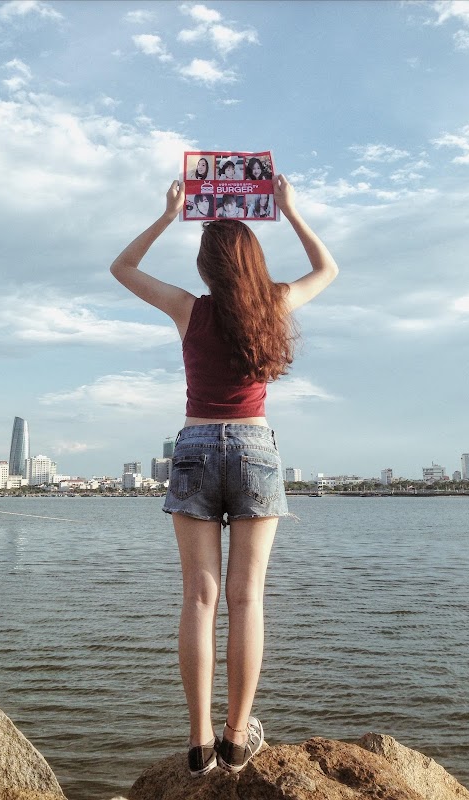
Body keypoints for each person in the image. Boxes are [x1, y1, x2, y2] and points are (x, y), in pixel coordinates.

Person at [110, 174, 338, 777]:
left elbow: (121, 267)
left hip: (194, 448)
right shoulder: (274, 304)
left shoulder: (188, 309)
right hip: (256, 449)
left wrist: (167, 216)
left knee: (199, 597)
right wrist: (290, 210)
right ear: (253, 263)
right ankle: (237, 739)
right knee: (247, 597)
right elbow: (328, 269)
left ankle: (199, 743)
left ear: (205, 267)